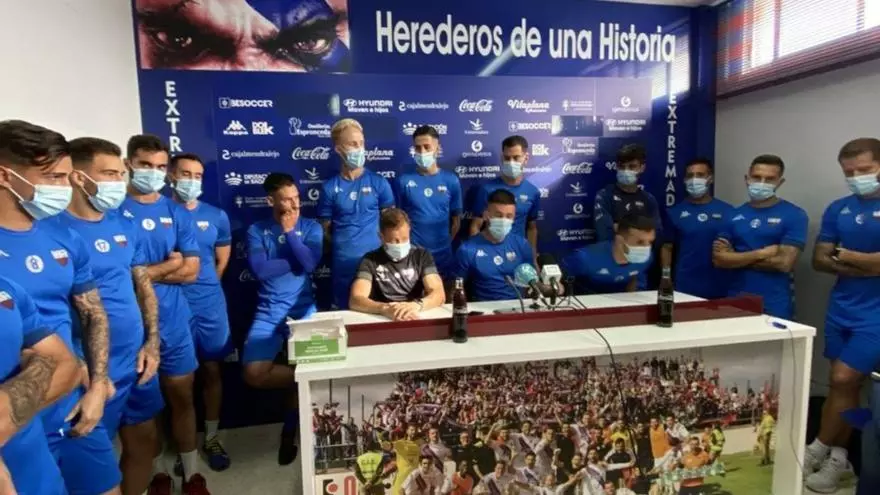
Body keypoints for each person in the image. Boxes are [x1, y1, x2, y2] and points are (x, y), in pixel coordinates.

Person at [0, 120, 121, 494]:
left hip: (72, 402)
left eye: (67, 177)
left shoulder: (65, 235)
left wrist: (98, 385)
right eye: (53, 177)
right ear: (5, 176)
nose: (64, 188)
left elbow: (93, 312)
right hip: (13, 419)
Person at [61, 137, 165, 494]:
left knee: (144, 440)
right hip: (90, 371)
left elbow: (143, 286)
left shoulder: (123, 224)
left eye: (121, 173)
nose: (120, 182)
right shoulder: (55, 230)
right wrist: (79, 366)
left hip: (138, 360)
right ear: (79, 177)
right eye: (109, 174)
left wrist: (152, 342)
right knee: (95, 468)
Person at [120, 134, 207, 494]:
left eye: (159, 166)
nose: (153, 173)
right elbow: (115, 276)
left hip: (173, 321)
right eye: (145, 165)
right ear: (129, 164)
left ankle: (192, 474)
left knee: (182, 397)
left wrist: (141, 272)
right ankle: (157, 473)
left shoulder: (175, 212)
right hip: (131, 325)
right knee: (144, 409)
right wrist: (166, 266)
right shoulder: (111, 212)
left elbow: (191, 270)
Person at [807, 138, 880, 492]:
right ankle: (839, 459)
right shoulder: (839, 208)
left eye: (864, 170)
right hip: (841, 308)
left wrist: (846, 255)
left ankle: (817, 447)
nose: (856, 178)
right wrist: (867, 263)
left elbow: (837, 255)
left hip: (875, 315)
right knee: (844, 385)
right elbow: (820, 259)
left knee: (842, 378)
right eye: (849, 172)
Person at [243, 173, 322, 465]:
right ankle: (303, 379)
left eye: (296, 197)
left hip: (304, 310)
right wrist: (295, 258)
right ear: (270, 201)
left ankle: (289, 432)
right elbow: (261, 270)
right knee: (254, 373)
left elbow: (310, 263)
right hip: (269, 311)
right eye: (286, 199)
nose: (294, 204)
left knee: (306, 369)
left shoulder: (311, 227)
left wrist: (291, 234)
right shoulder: (256, 230)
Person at [168, 153, 233, 471]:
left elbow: (222, 259)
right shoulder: (161, 213)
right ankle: (185, 445)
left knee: (211, 370)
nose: (192, 181)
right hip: (172, 304)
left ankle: (212, 436)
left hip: (210, 304)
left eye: (197, 175)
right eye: (185, 174)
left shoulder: (216, 215)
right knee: (179, 379)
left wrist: (207, 287)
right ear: (171, 175)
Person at [0, 274, 81, 495]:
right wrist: (38, 366)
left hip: (41, 473)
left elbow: (66, 366)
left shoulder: (7, 286)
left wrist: (38, 366)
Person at [712, 154, 808, 320]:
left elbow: (783, 263)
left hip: (774, 303)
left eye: (769, 179)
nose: (762, 183)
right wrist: (761, 253)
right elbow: (719, 260)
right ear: (747, 179)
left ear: (780, 182)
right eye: (757, 177)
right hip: (736, 299)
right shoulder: (733, 215)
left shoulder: (794, 215)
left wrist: (736, 258)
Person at [318, 118, 395, 309]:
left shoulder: (379, 182)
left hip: (377, 265)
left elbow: (391, 225)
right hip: (343, 266)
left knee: (379, 314)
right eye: (353, 144)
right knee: (347, 315)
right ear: (338, 149)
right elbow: (325, 230)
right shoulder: (329, 188)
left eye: (361, 143)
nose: (359, 149)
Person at [349, 208, 446, 321]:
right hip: (382, 318)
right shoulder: (370, 260)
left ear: (409, 230)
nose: (400, 244)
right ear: (381, 237)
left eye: (405, 238)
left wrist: (416, 305)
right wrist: (384, 308)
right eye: (394, 241)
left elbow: (439, 294)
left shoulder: (421, 256)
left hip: (415, 314)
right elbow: (356, 299)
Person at [394, 125, 463, 280]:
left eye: (427, 147)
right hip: (413, 256)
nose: (422, 152)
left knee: (443, 294)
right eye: (418, 148)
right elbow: (398, 220)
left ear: (437, 148)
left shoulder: (451, 180)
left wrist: (444, 243)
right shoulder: (403, 181)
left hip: (443, 257)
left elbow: (456, 221)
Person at [661, 158, 734, 298]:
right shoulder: (674, 213)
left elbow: (737, 246)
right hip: (686, 284)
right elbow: (667, 248)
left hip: (721, 285)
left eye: (700, 175)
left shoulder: (728, 211)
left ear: (710, 178)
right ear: (684, 180)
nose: (694, 180)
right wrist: (666, 277)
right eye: (690, 175)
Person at [453, 189, 536, 302]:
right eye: (498, 215)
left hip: (519, 307)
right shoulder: (467, 250)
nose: (504, 220)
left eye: (509, 216)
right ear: (486, 215)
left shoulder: (522, 245)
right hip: (483, 309)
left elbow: (531, 284)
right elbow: (455, 289)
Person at [469, 135, 540, 253]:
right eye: (507, 158)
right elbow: (475, 226)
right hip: (490, 251)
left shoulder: (533, 192)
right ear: (502, 158)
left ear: (526, 158)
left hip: (519, 253)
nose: (511, 162)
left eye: (516, 158)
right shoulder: (486, 189)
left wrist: (532, 256)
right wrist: (474, 253)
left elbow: (532, 228)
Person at [561, 214, 656, 294]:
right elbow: (557, 279)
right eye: (640, 242)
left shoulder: (647, 258)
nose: (646, 247)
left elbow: (636, 279)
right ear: (619, 240)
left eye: (650, 242)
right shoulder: (583, 259)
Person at [593, 144, 663, 242]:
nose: (626, 171)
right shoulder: (604, 196)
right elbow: (605, 232)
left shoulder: (649, 199)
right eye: (621, 166)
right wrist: (641, 231)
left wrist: (618, 227)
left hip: (643, 251)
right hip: (612, 251)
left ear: (642, 168)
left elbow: (657, 234)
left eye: (632, 166)